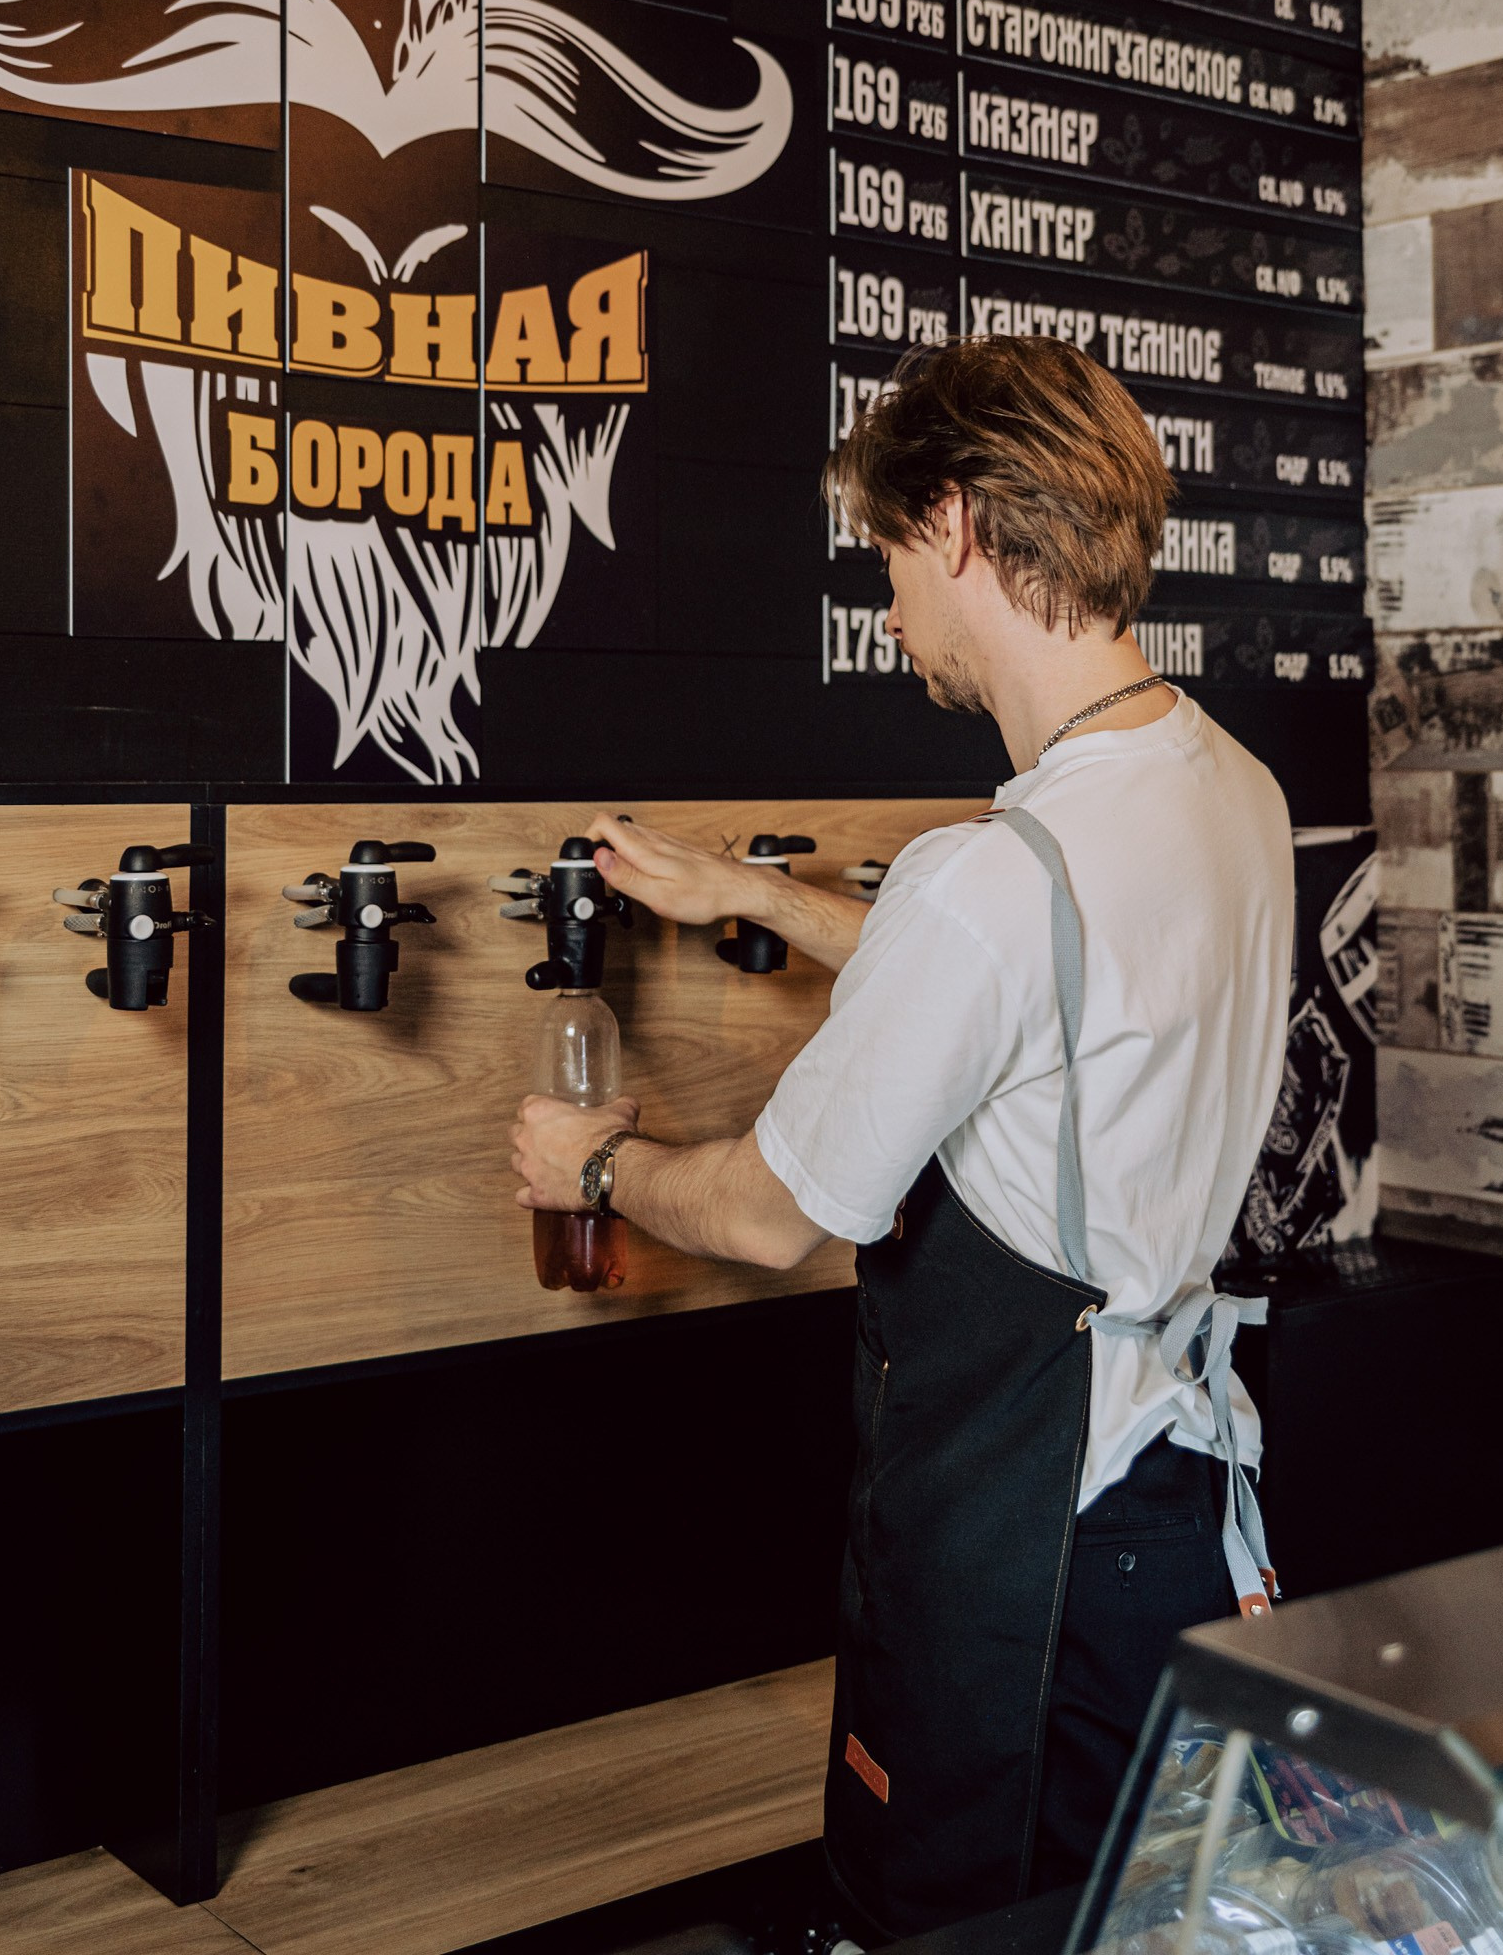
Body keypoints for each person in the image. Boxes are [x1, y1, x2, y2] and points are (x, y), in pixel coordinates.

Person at [510, 336, 1295, 1944]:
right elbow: (1047, 995)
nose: (885, 609)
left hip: (1026, 1551)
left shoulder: (989, 875)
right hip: (1183, 1513)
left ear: (954, 524)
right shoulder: (1230, 789)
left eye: (883, 555)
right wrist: (760, 898)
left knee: (949, 1923)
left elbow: (770, 1212)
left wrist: (592, 1166)